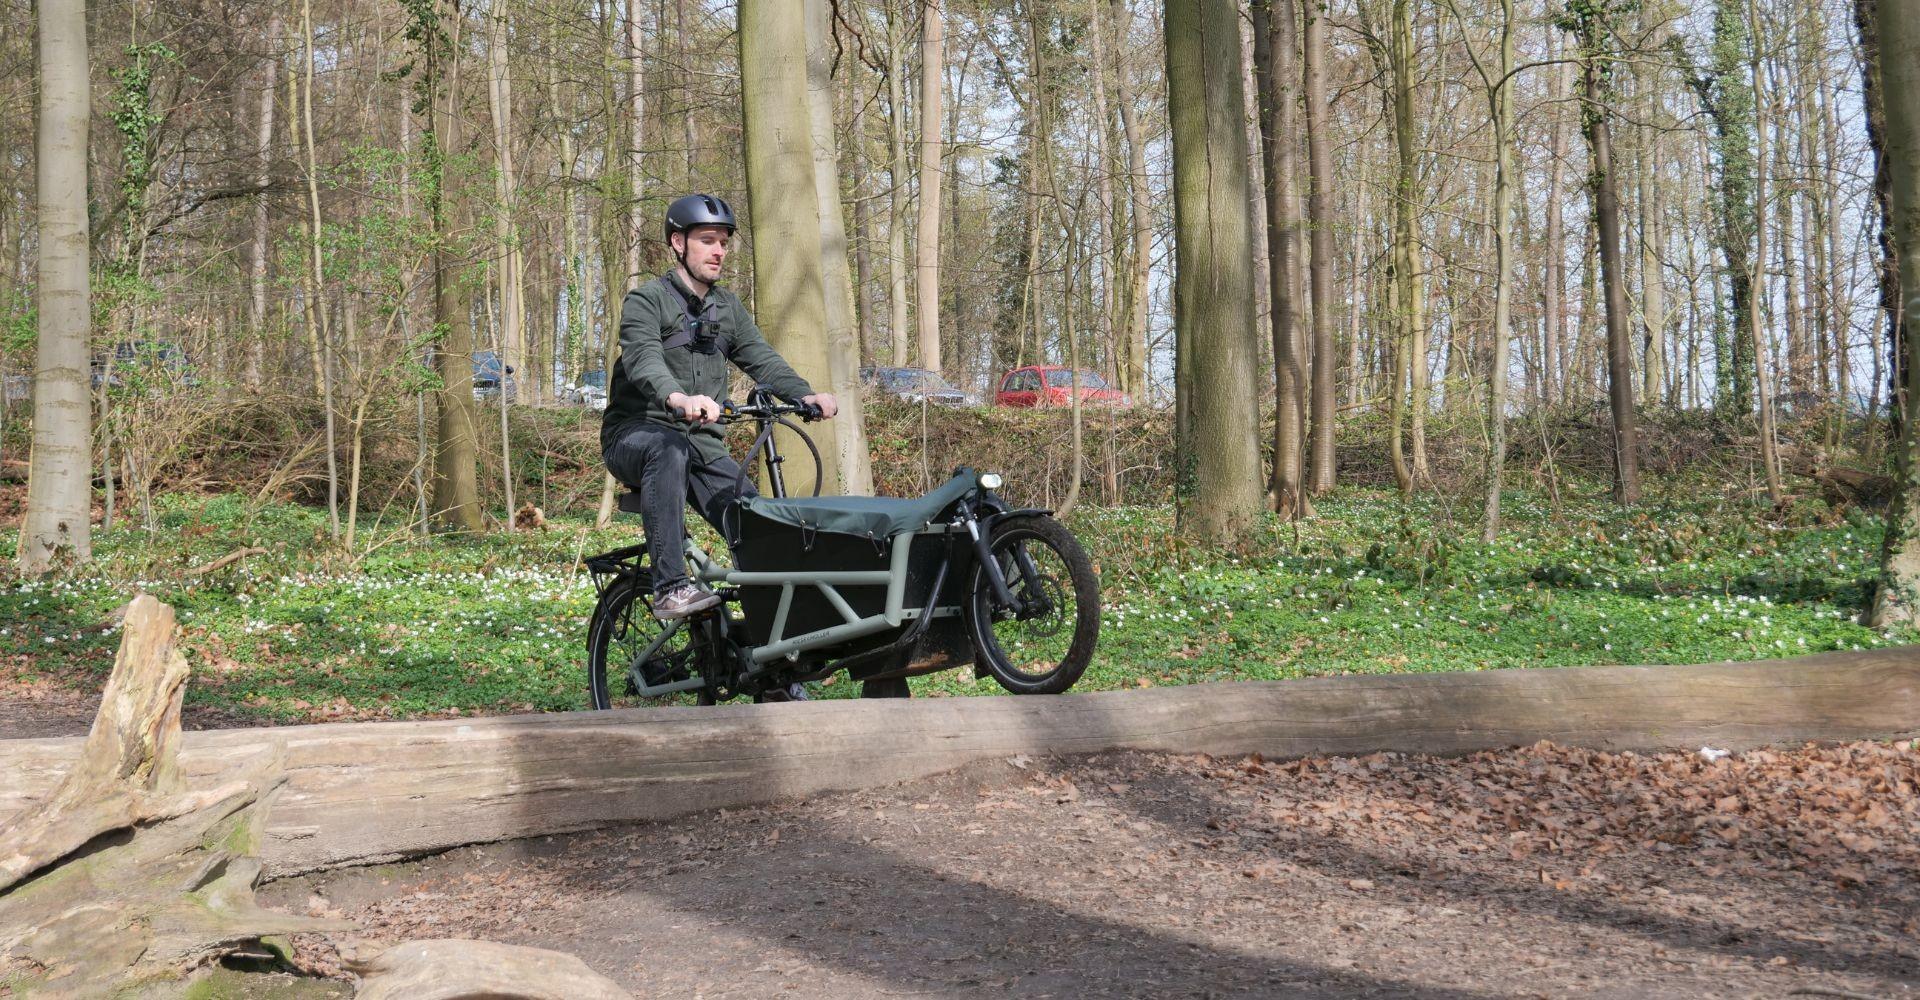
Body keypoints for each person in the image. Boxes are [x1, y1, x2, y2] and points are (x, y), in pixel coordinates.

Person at [602, 193, 838, 623]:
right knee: (668, 448)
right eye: (708, 240)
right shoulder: (646, 301)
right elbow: (643, 359)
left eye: (724, 242)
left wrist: (804, 395)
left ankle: (773, 672)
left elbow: (761, 359)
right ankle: (670, 587)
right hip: (637, 436)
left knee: (760, 531)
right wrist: (677, 397)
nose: (718, 251)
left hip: (703, 448)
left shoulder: (726, 307)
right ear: (678, 242)